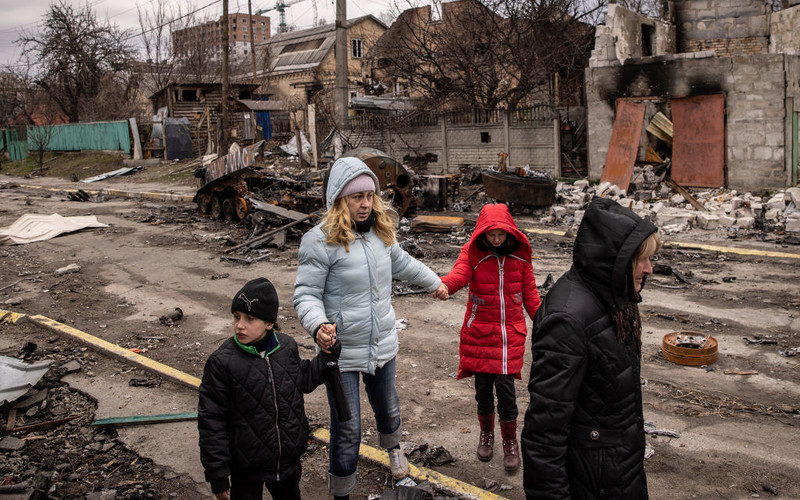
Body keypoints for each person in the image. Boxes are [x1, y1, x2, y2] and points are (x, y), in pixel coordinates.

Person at [293, 157, 449, 500]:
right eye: (356, 197)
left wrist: (435, 283)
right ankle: (342, 494)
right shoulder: (319, 241)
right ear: (339, 199)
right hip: (342, 351)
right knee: (347, 429)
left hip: (381, 343)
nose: (365, 204)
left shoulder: (380, 233)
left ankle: (396, 457)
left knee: (389, 408)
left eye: (369, 196)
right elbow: (306, 294)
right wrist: (318, 325)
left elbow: (404, 263)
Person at [520, 197, 660, 499]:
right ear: (615, 259)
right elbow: (544, 434)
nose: (649, 269)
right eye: (642, 260)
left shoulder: (614, 297)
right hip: (594, 481)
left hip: (617, 469)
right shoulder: (567, 319)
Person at [198, 277, 338, 500]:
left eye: (249, 318)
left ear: (269, 323)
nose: (239, 325)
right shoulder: (222, 363)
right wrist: (218, 474)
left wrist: (328, 354)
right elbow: (211, 421)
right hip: (244, 467)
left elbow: (304, 379)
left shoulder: (286, 347)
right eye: (236, 317)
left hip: (286, 462)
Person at [440, 203, 541, 472]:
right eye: (491, 235)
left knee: (507, 393)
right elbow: (459, 275)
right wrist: (443, 285)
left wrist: (545, 322)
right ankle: (486, 434)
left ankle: (510, 441)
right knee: (483, 391)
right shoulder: (473, 252)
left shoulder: (520, 257)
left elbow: (531, 294)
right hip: (480, 333)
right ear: (482, 233)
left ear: (509, 232)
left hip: (510, 337)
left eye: (500, 235)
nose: (496, 240)